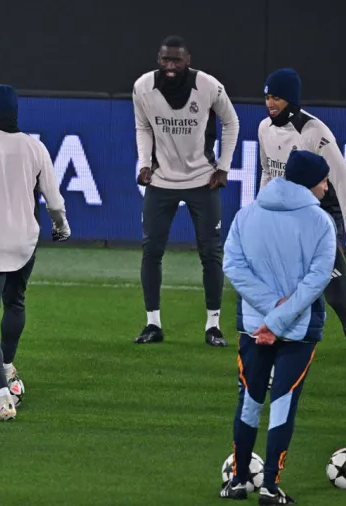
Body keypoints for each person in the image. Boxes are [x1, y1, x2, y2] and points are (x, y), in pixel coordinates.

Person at [220, 150, 336, 504]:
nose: (327, 188)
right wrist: (280, 316)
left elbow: (232, 265)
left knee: (249, 402)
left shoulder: (247, 214)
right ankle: (270, 487)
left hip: (254, 328)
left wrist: (268, 316)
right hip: (298, 332)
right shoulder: (321, 223)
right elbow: (317, 280)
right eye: (323, 180)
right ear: (309, 182)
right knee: (282, 404)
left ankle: (239, 481)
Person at [258, 68, 346, 399]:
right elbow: (269, 174)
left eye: (277, 97)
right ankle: (270, 371)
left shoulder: (314, 133)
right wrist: (259, 212)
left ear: (291, 100)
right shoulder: (264, 129)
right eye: (267, 96)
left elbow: (341, 181)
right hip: (287, 221)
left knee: (338, 297)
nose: (270, 103)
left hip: (319, 220)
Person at [0, 84, 70, 421]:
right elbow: (55, 199)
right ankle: (7, 365)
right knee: (15, 303)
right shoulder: (35, 147)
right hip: (25, 242)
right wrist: (61, 226)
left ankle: (3, 396)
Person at [132, 35, 240, 346]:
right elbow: (142, 126)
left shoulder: (207, 86)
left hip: (202, 180)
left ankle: (213, 326)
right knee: (151, 251)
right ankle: (152, 324)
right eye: (166, 59)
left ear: (187, 60)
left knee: (210, 253)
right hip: (161, 181)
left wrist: (223, 167)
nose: (170, 65)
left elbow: (231, 122)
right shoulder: (142, 87)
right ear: (158, 59)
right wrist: (144, 163)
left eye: (176, 60)